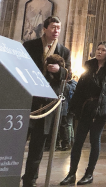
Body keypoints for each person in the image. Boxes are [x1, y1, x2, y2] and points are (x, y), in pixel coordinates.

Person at [60, 42, 106, 185]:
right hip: (85, 108)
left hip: (100, 111)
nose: (99, 52)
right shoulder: (89, 67)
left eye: (103, 50)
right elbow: (80, 89)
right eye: (98, 49)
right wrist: (73, 107)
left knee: (95, 141)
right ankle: (71, 174)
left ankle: (89, 173)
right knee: (77, 142)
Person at [22, 16, 71, 187]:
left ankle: (30, 179)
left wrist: (59, 71)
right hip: (29, 99)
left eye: (59, 27)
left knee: (37, 145)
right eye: (53, 27)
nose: (56, 30)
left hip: (48, 103)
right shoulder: (30, 46)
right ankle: (8, 171)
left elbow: (68, 75)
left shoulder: (64, 51)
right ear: (45, 28)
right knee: (18, 141)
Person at [57, 75, 77, 152]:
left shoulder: (67, 85)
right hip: (70, 107)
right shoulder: (75, 84)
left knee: (66, 125)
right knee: (69, 125)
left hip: (67, 107)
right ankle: (71, 141)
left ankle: (67, 142)